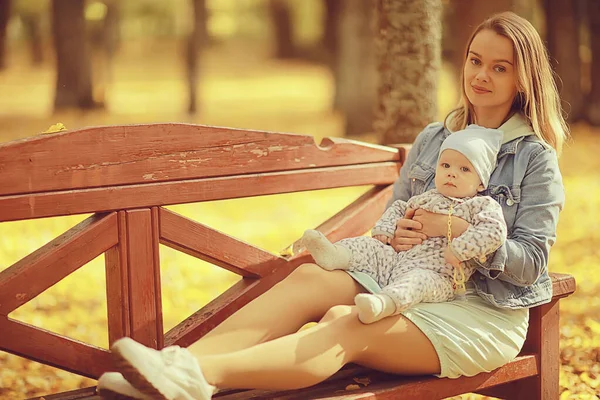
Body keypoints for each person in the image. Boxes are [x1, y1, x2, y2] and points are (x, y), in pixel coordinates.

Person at [96, 11, 569, 400]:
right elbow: (397, 215)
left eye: (500, 67)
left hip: (478, 311)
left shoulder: (534, 158)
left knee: (350, 321)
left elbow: (532, 264)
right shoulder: (434, 138)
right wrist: (398, 231)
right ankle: (171, 369)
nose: (481, 75)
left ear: (523, 79)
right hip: (403, 277)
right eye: (474, 60)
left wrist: (451, 231)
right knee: (308, 277)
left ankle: (199, 378)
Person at [301, 125, 507, 324]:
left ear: (481, 183)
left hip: (439, 276)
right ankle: (336, 255)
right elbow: (400, 207)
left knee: (416, 283)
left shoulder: (480, 205)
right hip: (398, 259)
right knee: (370, 247)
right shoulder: (428, 197)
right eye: (445, 166)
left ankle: (382, 304)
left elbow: (494, 231)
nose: (452, 173)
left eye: (464, 169)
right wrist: (386, 230)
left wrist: (460, 249)